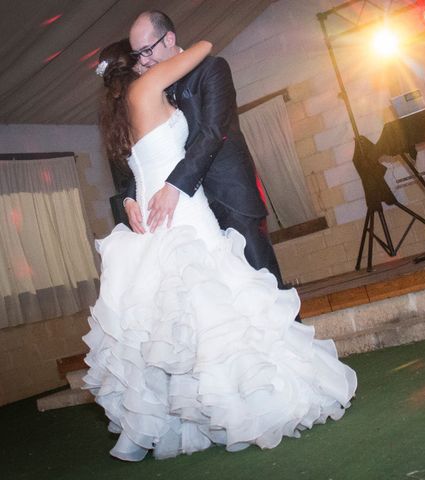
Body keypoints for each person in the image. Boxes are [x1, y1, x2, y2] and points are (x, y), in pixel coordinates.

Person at [83, 38, 357, 462]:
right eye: (142, 53)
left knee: (176, 322)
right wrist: (166, 50)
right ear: (137, 63)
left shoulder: (117, 113)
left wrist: (130, 200)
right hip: (182, 210)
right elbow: (206, 45)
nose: (149, 58)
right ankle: (259, 402)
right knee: (224, 307)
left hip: (156, 217)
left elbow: (132, 170)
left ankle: (180, 418)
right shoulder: (149, 85)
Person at [124, 11, 286, 292]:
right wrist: (130, 197)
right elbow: (147, 149)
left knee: (264, 288)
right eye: (137, 54)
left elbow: (213, 133)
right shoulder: (153, 88)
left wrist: (174, 185)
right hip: (192, 213)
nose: (143, 60)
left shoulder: (212, 69)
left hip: (230, 197)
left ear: (170, 38)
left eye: (147, 50)